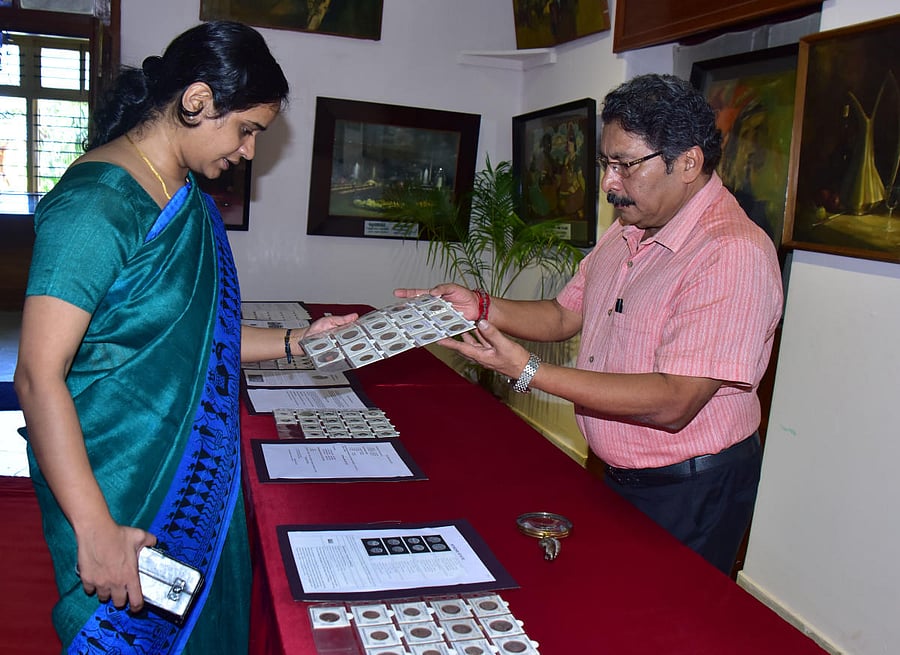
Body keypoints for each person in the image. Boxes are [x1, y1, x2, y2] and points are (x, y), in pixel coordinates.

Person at [14, 21, 356, 654]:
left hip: (197, 473)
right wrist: (94, 529)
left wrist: (298, 342)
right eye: (247, 129)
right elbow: (38, 375)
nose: (249, 151)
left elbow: (205, 337)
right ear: (196, 101)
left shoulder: (185, 195)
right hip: (118, 483)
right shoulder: (98, 205)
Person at [396, 73, 784, 575]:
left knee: (666, 623)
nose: (608, 183)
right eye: (606, 163)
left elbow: (673, 402)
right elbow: (564, 314)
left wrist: (527, 370)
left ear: (688, 162)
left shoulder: (731, 254)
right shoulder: (630, 226)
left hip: (690, 487)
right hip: (618, 471)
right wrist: (482, 305)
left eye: (625, 165)